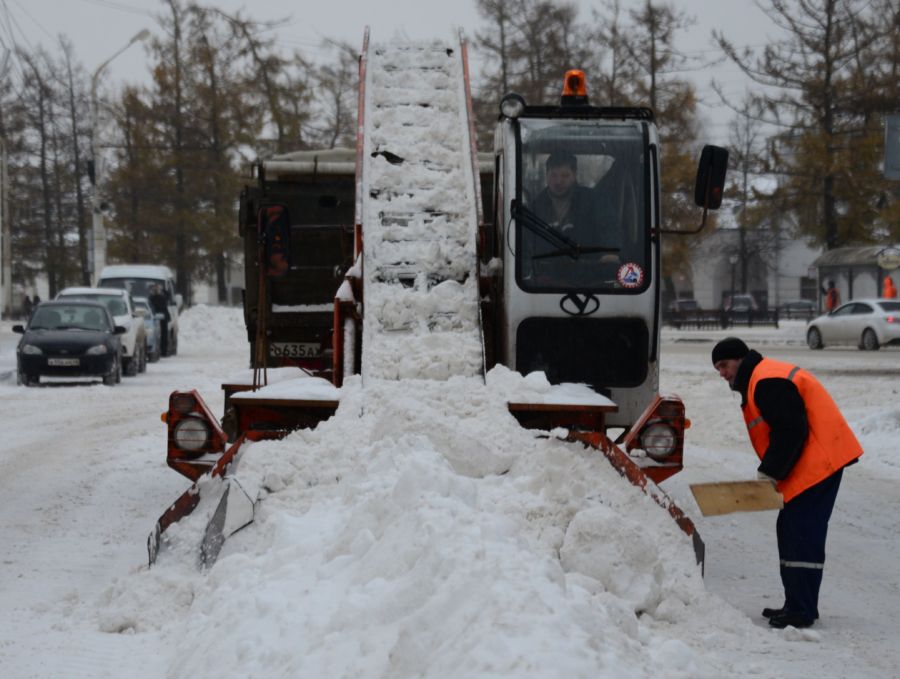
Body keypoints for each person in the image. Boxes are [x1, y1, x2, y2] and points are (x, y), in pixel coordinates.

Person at [711, 337, 862, 629]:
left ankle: (801, 610)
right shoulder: (761, 378)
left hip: (819, 464)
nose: (722, 373)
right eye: (718, 368)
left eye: (724, 365)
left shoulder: (766, 380)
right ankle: (797, 603)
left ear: (740, 359)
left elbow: (791, 431)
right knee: (793, 530)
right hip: (813, 463)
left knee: (800, 532)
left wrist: (770, 472)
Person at [148, 284, 171, 356]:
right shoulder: (153, 298)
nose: (157, 290)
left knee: (164, 335)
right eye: (156, 289)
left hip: (163, 318)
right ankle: (162, 350)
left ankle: (164, 351)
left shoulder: (161, 297)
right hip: (155, 318)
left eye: (158, 289)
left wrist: (163, 290)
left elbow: (168, 296)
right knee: (160, 335)